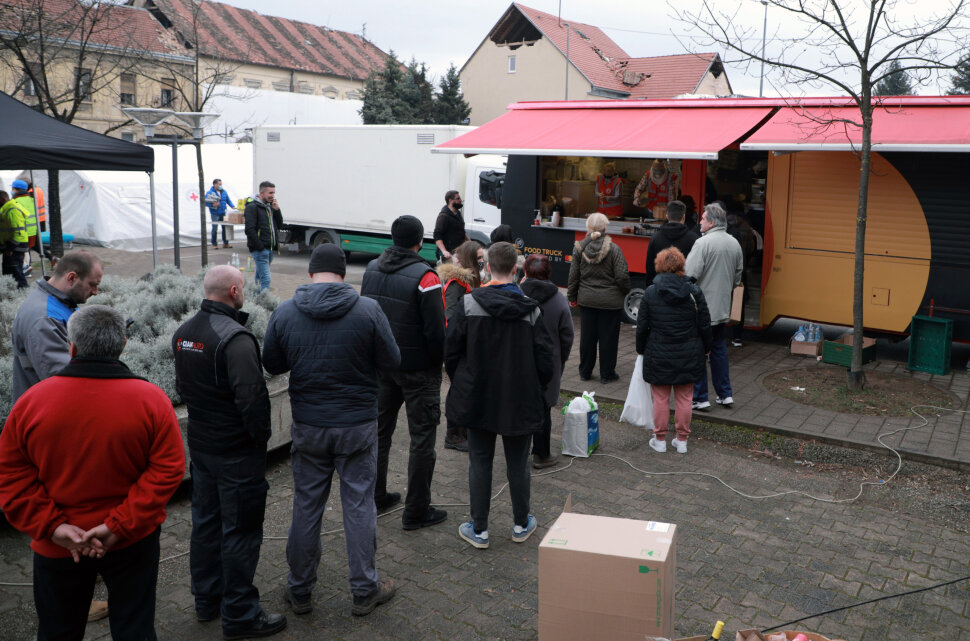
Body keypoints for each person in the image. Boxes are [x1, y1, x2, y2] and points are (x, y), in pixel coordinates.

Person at [0, 305, 185, 640]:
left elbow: (10, 475)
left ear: (71, 346)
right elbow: (167, 469)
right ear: (123, 345)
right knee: (135, 627)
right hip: (131, 541)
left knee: (58, 631)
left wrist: (53, 527)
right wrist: (118, 526)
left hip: (58, 546)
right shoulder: (151, 400)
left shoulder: (30, 403)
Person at [262, 244, 401, 618]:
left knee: (307, 505)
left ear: (310, 272)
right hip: (357, 426)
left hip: (309, 426)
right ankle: (364, 589)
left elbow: (272, 363)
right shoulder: (368, 310)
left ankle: (300, 589)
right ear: (343, 273)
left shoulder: (286, 311)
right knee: (359, 506)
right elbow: (392, 360)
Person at [172, 265, 287, 640]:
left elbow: (183, 387)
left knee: (206, 524)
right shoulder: (235, 338)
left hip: (203, 448)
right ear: (234, 291)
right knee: (240, 531)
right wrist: (259, 442)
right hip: (236, 454)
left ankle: (207, 600)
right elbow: (252, 400)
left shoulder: (184, 333)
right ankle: (240, 614)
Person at [445, 242, 554, 549]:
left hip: (477, 396)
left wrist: (462, 381)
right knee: (518, 463)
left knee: (479, 461)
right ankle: (521, 524)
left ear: (487, 267)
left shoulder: (468, 304)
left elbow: (451, 350)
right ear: (516, 269)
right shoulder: (532, 310)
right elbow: (546, 360)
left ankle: (479, 529)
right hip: (519, 398)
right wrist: (536, 386)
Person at [360, 215, 449, 530]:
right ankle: (416, 511)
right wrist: (436, 364)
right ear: (420, 241)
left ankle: (376, 497)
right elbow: (436, 332)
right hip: (418, 372)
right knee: (422, 439)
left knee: (379, 433)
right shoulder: (427, 277)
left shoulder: (371, 269)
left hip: (383, 368)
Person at [636, 247, 713, 455]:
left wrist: (641, 349)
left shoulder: (651, 292)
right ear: (681, 265)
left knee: (660, 398)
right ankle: (682, 441)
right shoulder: (694, 292)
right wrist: (707, 348)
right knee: (685, 397)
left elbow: (642, 326)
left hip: (658, 352)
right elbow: (705, 324)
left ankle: (660, 439)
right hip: (688, 352)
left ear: (659, 265)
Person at [11, 249, 103, 402]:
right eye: (92, 284)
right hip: (45, 411)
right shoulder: (45, 319)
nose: (95, 292)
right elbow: (64, 383)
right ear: (71, 278)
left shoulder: (57, 302)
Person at [685, 202, 743, 411]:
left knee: (698, 351)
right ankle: (725, 394)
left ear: (710, 222)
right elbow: (737, 279)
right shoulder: (734, 243)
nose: (699, 221)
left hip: (701, 309)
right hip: (722, 308)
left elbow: (689, 275)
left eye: (702, 218)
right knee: (719, 350)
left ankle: (700, 397)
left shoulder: (702, 243)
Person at [520, 253, 574, 469]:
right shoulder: (559, 299)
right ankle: (541, 455)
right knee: (543, 408)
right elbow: (567, 335)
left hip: (519, 360)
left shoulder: (516, 295)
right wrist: (561, 359)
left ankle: (518, 452)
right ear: (549, 272)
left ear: (525, 271)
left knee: (520, 404)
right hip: (549, 361)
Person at [566, 212, 631, 384]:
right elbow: (622, 276)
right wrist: (624, 291)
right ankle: (607, 374)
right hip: (610, 303)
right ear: (605, 228)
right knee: (608, 338)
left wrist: (572, 296)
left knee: (587, 338)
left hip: (587, 301)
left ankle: (585, 372)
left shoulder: (579, 248)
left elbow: (573, 276)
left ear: (588, 227)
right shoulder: (614, 249)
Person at [438, 240, 484, 452]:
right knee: (459, 390)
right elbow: (452, 317)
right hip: (458, 345)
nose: (482, 261)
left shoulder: (471, 280)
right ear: (470, 259)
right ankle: (453, 435)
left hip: (468, 343)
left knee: (466, 389)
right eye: (479, 258)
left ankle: (463, 430)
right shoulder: (457, 284)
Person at [644, 200, 699, 286]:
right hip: (684, 288)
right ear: (683, 217)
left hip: (660, 287)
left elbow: (650, 267)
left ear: (667, 216)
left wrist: (650, 288)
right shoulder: (694, 239)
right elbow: (696, 268)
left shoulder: (655, 238)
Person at [244, 180, 284, 293]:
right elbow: (249, 229)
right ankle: (265, 301)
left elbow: (279, 225)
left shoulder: (269, 207)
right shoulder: (252, 207)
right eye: (270, 193)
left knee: (259, 277)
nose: (272, 196)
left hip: (269, 248)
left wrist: (277, 210)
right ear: (261, 193)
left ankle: (254, 297)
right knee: (266, 278)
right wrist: (260, 247)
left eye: (273, 193)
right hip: (260, 249)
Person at [726, 211, 758, 347]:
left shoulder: (720, 229)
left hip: (723, 272)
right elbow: (751, 249)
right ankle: (737, 337)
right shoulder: (746, 229)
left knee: (721, 301)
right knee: (738, 303)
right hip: (739, 271)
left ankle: (717, 334)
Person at [0, 183, 30, 288]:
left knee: (16, 275)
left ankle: (24, 293)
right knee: (9, 274)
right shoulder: (6, 210)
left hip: (15, 247)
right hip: (11, 247)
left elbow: (18, 233)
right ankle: (11, 293)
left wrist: (10, 248)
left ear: (3, 199)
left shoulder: (12, 210)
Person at [433, 190, 468, 262]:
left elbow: (461, 231)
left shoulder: (458, 213)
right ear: (450, 200)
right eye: (458, 198)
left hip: (457, 252)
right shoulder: (443, 216)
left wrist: (470, 242)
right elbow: (437, 235)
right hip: (447, 255)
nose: (460, 200)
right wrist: (444, 251)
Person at [206, 178, 236, 250]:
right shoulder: (209, 193)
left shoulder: (224, 192)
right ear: (214, 184)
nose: (220, 186)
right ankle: (214, 243)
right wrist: (212, 205)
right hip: (215, 213)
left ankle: (226, 243)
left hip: (223, 213)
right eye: (219, 184)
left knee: (225, 228)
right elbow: (205, 202)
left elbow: (228, 200)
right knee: (215, 229)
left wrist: (232, 206)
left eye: (221, 184)